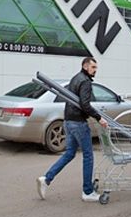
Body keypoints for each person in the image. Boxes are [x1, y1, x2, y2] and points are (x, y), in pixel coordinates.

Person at [37, 57, 109, 202]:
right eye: (93, 67)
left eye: (96, 67)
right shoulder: (85, 82)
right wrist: (99, 118)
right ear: (85, 66)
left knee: (69, 153)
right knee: (88, 156)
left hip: (68, 121)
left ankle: (46, 178)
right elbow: (85, 104)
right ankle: (87, 192)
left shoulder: (75, 78)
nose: (95, 70)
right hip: (79, 123)